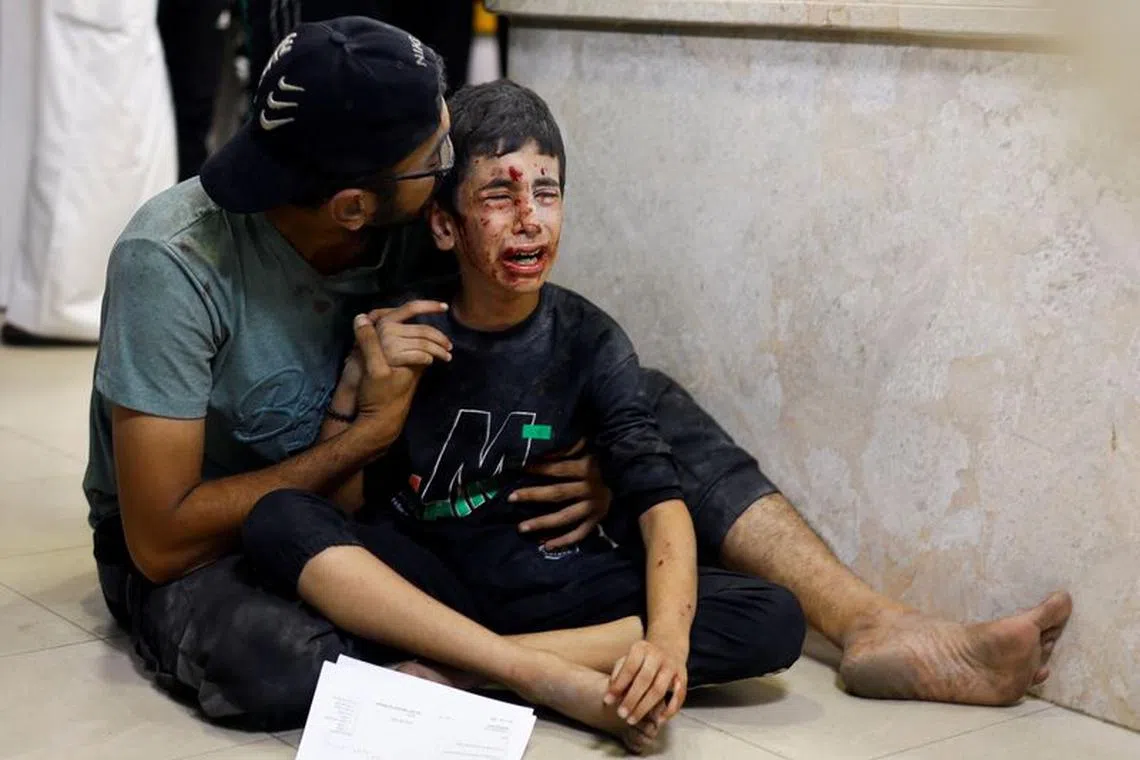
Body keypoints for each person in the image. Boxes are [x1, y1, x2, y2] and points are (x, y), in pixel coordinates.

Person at [86, 12, 1071, 740]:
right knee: (274, 666)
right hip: (209, 535)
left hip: (396, 534)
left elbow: (519, 362)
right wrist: (363, 438)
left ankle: (867, 623)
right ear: (359, 205)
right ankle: (517, 667)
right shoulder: (175, 264)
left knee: (648, 399)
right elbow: (162, 537)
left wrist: (590, 451)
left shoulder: (405, 226)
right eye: (438, 158)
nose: (456, 163)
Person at [242, 80, 805, 751]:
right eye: (499, 197)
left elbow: (662, 507)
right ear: (445, 224)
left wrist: (666, 645)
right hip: (431, 586)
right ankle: (538, 675)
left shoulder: (589, 340)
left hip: (556, 585)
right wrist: (361, 393)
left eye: (547, 192)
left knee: (771, 615)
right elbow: (342, 505)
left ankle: (465, 672)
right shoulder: (407, 322)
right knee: (276, 517)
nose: (530, 218)